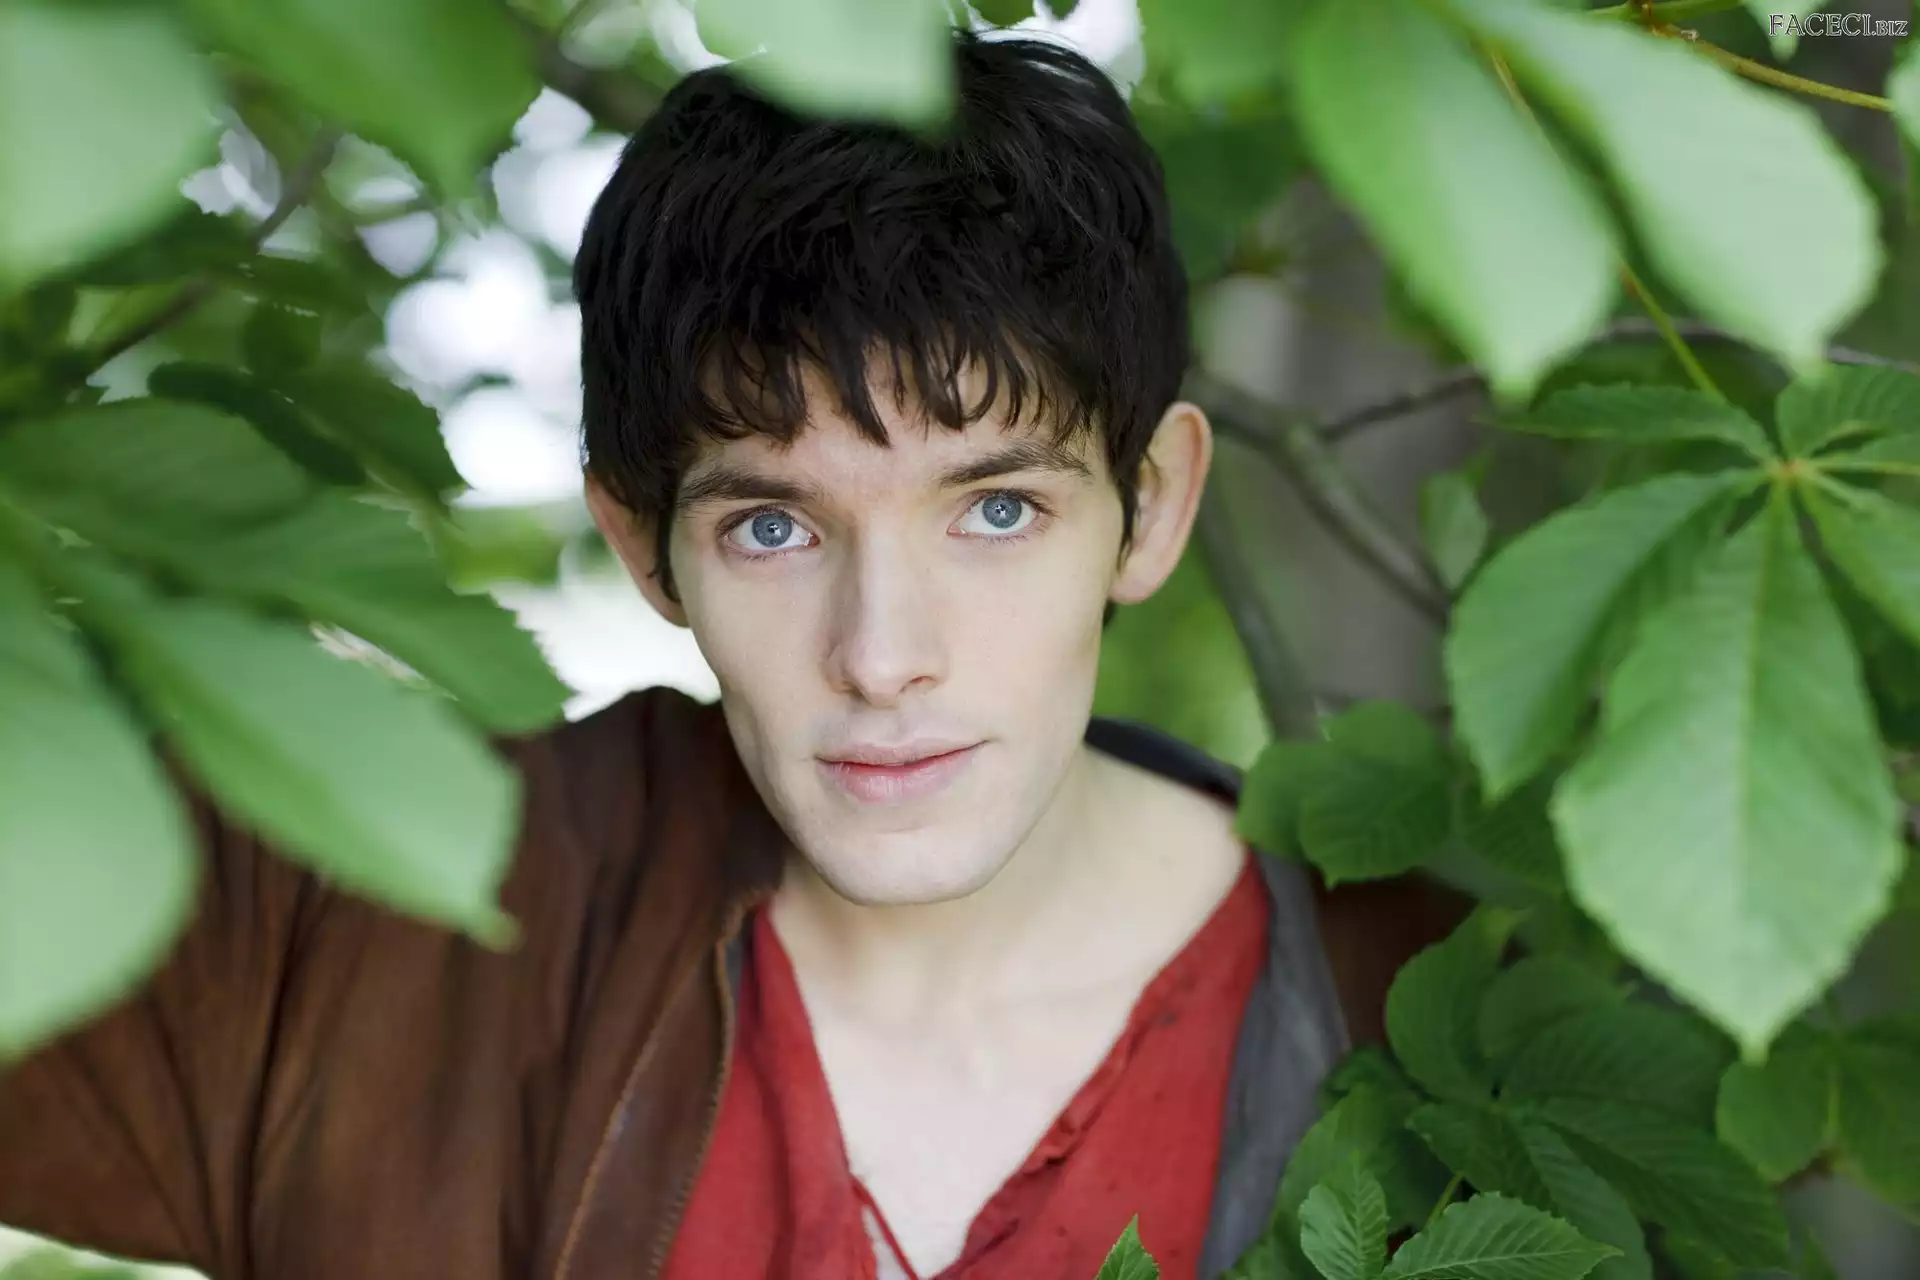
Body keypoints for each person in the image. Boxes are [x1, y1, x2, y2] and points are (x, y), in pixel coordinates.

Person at [0, 28, 1458, 1280]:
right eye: (774, 528)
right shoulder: (366, 930)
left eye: (997, 511)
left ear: (1153, 506)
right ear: (645, 549)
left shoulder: (1439, 1010)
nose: (882, 656)